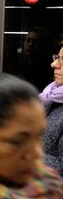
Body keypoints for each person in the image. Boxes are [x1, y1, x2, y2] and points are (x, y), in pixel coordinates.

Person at [40, 44, 63, 176]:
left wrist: (23, 153)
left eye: (62, 60)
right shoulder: (50, 97)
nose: (54, 64)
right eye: (57, 57)